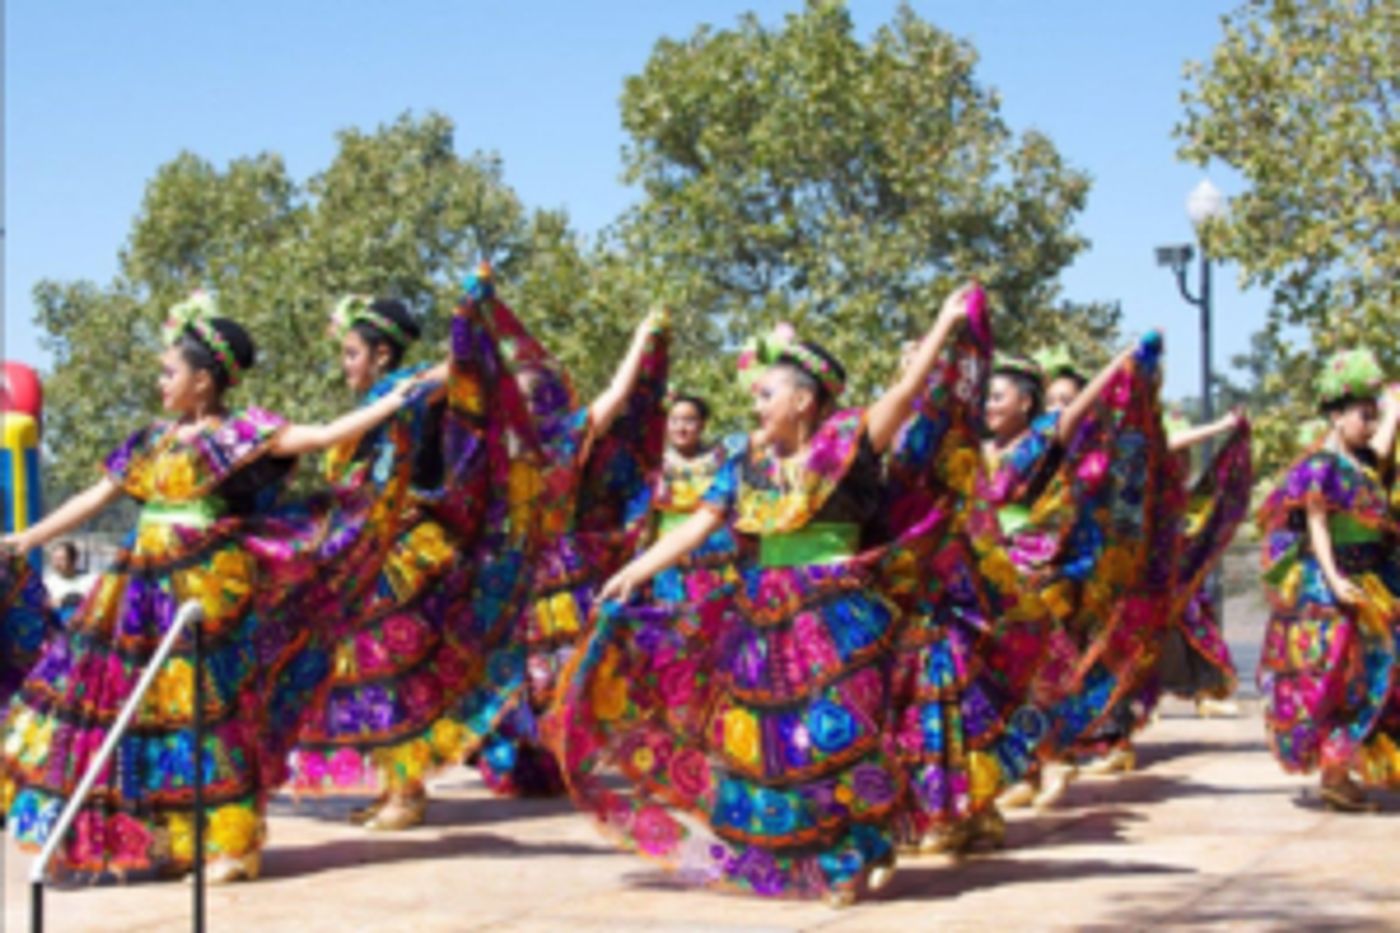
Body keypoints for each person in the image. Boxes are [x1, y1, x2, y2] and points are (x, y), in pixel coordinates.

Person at [558, 285, 980, 904]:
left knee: (842, 736)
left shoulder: (848, 445)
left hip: (842, 616)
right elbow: (703, 523)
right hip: (763, 615)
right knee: (776, 746)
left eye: (765, 394)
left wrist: (943, 326)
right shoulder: (744, 465)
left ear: (803, 400)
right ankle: (820, 854)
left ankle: (856, 848)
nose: (754, 405)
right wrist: (634, 572)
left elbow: (904, 394)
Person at [0, 292, 431, 882]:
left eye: (169, 371)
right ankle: (169, 837)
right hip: (136, 597)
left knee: (208, 715)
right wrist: (25, 540)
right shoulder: (149, 442)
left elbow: (322, 436)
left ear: (204, 381)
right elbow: (91, 497)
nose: (160, 381)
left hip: (206, 593)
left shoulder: (236, 435)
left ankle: (232, 845)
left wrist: (394, 404)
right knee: (140, 715)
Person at [287, 278, 541, 831]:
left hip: (409, 550)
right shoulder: (376, 406)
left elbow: (464, 368)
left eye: (351, 353)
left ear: (381, 353)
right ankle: (394, 786)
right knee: (374, 667)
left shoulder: (411, 392)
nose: (345, 365)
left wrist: (468, 312)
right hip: (372, 550)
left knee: (393, 666)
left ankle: (407, 791)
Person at [476, 306, 669, 797]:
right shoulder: (490, 449)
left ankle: (556, 756)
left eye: (523, 397)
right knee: (507, 672)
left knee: (555, 670)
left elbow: (617, 395)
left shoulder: (567, 440)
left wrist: (641, 339)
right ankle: (517, 758)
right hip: (504, 570)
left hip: (556, 571)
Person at [1257, 349, 1400, 811]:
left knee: (1377, 671)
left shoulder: (1359, 464)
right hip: (1335, 583)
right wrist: (1335, 581)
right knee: (1343, 676)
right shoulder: (1320, 465)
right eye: (1365, 415)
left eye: (1373, 415)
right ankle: (1335, 774)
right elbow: (1317, 524)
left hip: (1370, 578)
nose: (1371, 424)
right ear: (1337, 415)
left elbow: (1379, 453)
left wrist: (1393, 412)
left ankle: (1344, 771)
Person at [43, 541, 92, 625]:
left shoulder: (90, 580)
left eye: (61, 559)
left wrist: (66, 601)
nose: (57, 564)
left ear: (74, 560)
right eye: (54, 559)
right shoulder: (47, 583)